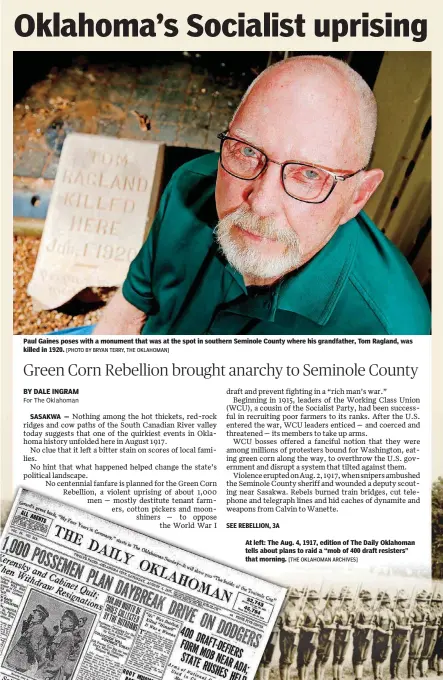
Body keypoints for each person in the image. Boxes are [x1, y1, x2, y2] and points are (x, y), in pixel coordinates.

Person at [83, 55, 430, 336]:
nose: (260, 202)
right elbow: (131, 307)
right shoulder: (190, 185)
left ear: (358, 196)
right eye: (248, 151)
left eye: (309, 174)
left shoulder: (391, 335)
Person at [5, 604, 50, 675]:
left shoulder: (38, 628)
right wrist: (27, 623)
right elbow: (24, 634)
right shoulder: (33, 625)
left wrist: (30, 659)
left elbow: (33, 645)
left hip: (21, 658)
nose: (32, 614)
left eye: (35, 613)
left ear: (40, 617)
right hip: (17, 655)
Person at [36, 609, 78, 680]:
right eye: (61, 619)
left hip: (52, 673)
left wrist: (44, 672)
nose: (60, 621)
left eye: (64, 620)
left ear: (71, 624)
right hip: (47, 668)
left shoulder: (68, 637)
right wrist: (53, 633)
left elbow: (58, 662)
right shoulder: (62, 635)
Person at [279, 588, 305, 680]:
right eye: (295, 598)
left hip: (294, 638)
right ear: (291, 598)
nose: (297, 600)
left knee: (290, 660)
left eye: (298, 598)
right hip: (286, 638)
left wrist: (300, 623)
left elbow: (300, 624)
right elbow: (282, 626)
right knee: (284, 661)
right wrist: (292, 630)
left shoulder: (297, 610)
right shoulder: (285, 609)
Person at [315, 590, 339, 680]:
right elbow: (321, 625)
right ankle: (317, 678)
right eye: (332, 599)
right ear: (328, 600)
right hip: (323, 637)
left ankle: (322, 677)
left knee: (326, 658)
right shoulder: (322, 611)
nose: (333, 601)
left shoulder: (335, 612)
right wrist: (330, 626)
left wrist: (335, 625)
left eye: (334, 599)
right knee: (320, 657)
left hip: (331, 637)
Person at [297, 590, 321, 680]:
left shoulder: (317, 611)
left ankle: (306, 678)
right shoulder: (305, 611)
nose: (316, 601)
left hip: (314, 639)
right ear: (310, 600)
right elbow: (299, 625)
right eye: (315, 599)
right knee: (302, 661)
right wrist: (311, 629)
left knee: (308, 661)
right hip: (305, 639)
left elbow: (320, 625)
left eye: (317, 599)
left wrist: (318, 628)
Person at [353, 590, 376, 680]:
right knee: (359, 655)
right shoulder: (359, 610)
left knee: (364, 656)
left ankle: (359, 675)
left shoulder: (371, 611)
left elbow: (374, 623)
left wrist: (372, 626)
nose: (369, 602)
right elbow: (355, 624)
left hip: (368, 635)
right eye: (367, 600)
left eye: (369, 600)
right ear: (363, 601)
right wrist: (366, 626)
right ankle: (358, 677)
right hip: (360, 635)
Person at [332, 587, 355, 680]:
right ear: (342, 600)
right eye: (346, 600)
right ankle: (335, 677)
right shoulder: (337, 610)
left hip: (347, 637)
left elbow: (354, 624)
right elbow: (334, 624)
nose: (348, 602)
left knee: (342, 658)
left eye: (349, 600)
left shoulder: (351, 611)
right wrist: (342, 627)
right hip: (339, 636)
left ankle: (340, 677)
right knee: (336, 657)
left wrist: (353, 617)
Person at [372, 592, 395, 680]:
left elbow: (393, 625)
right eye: (388, 602)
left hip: (388, 637)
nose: (390, 604)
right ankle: (376, 676)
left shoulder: (390, 612)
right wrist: (384, 632)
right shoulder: (378, 612)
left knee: (383, 657)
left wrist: (392, 626)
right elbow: (374, 626)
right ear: (384, 603)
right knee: (377, 656)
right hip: (379, 637)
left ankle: (380, 675)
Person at [390, 591, 412, 680]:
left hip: (405, 637)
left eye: (406, 601)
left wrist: (410, 624)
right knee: (395, 655)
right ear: (399, 602)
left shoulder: (407, 612)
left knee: (401, 656)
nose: (406, 602)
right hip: (397, 637)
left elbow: (410, 623)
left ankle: (398, 674)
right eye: (404, 601)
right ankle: (393, 675)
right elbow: (395, 626)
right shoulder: (395, 612)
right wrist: (406, 628)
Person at [408, 591, 430, 680]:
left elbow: (430, 620)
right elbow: (411, 623)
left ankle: (414, 674)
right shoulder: (413, 610)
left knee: (418, 654)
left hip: (422, 634)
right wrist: (421, 624)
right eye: (422, 601)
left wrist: (428, 614)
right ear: (418, 602)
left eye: (424, 601)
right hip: (416, 634)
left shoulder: (425, 610)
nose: (423, 603)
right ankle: (410, 674)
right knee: (413, 653)